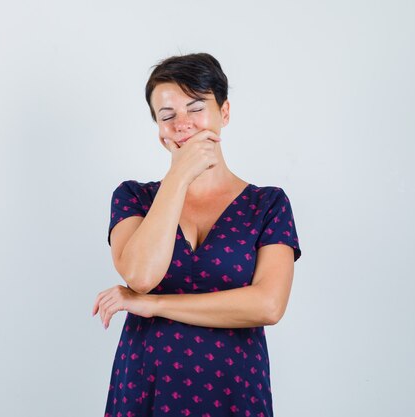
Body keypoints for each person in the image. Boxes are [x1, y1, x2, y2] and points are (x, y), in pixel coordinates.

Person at [92, 52, 302, 417]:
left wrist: (154, 305)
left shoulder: (268, 204)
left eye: (196, 108)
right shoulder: (133, 197)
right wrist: (179, 175)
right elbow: (141, 276)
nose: (182, 123)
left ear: (224, 112)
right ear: (158, 130)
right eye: (168, 115)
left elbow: (268, 305)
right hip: (146, 384)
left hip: (234, 386)